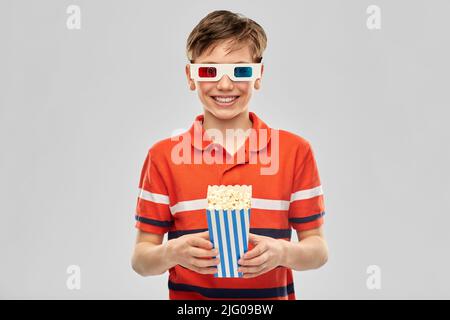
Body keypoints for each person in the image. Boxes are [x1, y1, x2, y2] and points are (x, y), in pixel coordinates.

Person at [131, 10, 328, 300]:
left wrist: (283, 252)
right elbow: (141, 259)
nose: (225, 85)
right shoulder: (164, 157)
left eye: (240, 71)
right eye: (209, 71)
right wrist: (171, 253)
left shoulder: (294, 152)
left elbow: (318, 250)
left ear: (258, 76)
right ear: (190, 77)